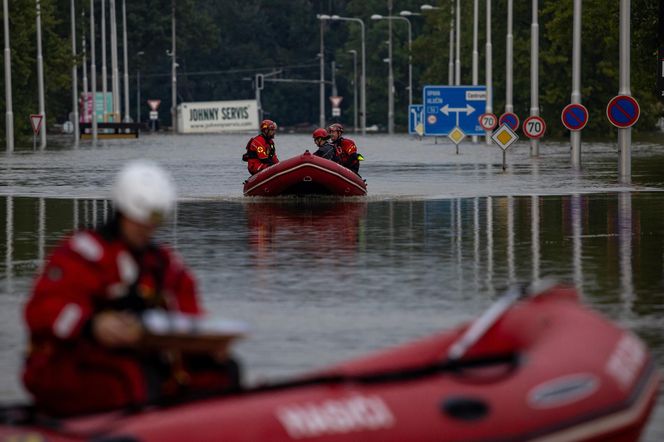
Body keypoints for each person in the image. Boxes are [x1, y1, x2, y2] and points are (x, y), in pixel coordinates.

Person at [22, 160, 240, 417]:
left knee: (223, 370)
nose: (146, 231)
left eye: (152, 224)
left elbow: (188, 311)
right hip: (76, 363)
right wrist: (93, 325)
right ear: (122, 213)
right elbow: (41, 311)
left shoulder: (163, 264)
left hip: (142, 357)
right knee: (132, 378)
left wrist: (205, 343)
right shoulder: (83, 254)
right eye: (139, 222)